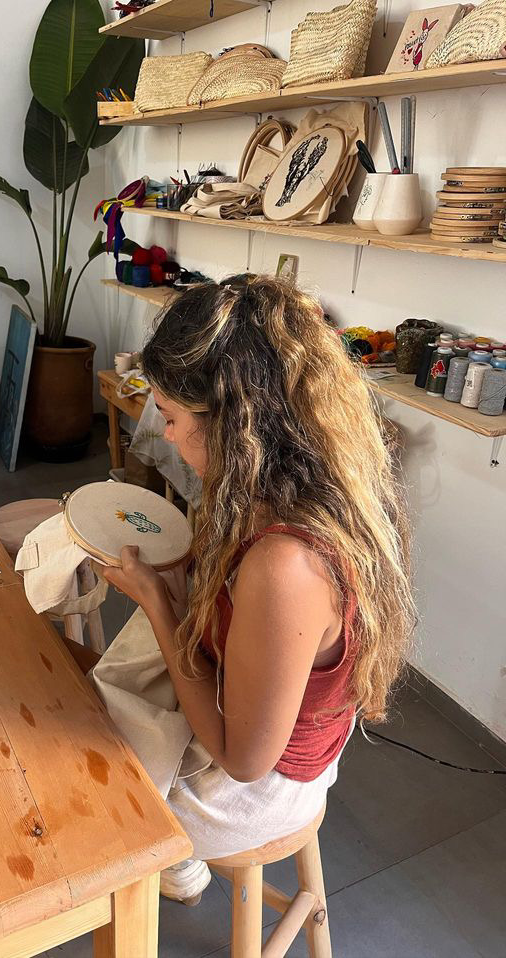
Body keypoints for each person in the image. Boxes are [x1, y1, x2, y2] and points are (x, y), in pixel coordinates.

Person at [90, 274, 416, 904]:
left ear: (233, 425)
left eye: (171, 417)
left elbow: (242, 761)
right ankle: (174, 862)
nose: (164, 434)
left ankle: (169, 860)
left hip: (257, 789)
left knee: (75, 782)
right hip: (270, 736)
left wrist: (158, 603)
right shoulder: (291, 484)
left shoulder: (287, 563)